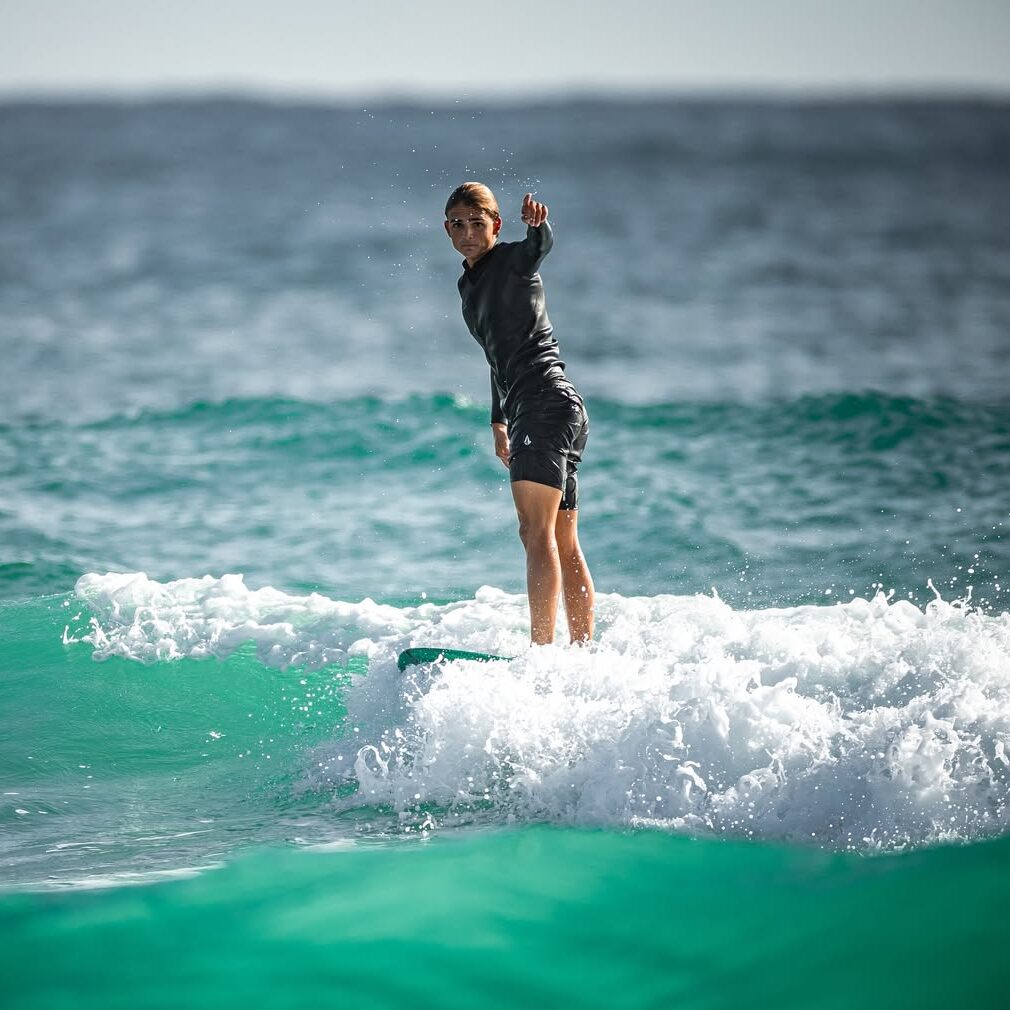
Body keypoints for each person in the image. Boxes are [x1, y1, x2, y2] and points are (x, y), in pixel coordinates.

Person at [444, 182, 595, 645]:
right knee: (561, 539)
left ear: (496, 225)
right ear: (446, 228)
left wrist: (539, 226)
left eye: (477, 223)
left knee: (534, 532)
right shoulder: (468, 283)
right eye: (458, 224)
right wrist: (499, 419)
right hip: (554, 408)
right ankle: (583, 652)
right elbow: (498, 354)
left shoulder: (512, 261)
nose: (468, 232)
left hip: (544, 405)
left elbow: (538, 247)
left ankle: (542, 652)